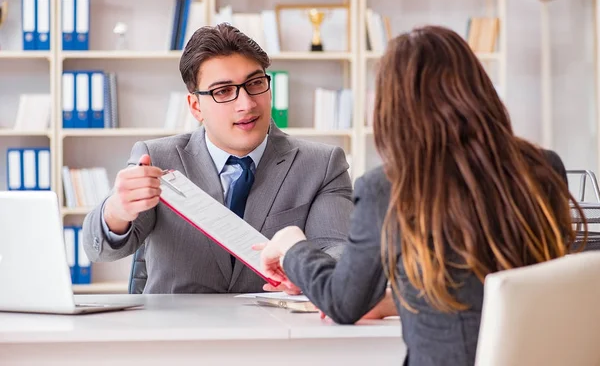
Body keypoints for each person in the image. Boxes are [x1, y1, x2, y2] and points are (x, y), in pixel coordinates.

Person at [254, 25, 587, 366]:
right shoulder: (543, 167)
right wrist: (397, 298)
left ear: (393, 107)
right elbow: (503, 288)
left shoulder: (388, 187)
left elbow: (343, 302)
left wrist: (293, 243)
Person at [81, 23, 353, 294]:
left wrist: (306, 271)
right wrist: (116, 210)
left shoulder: (322, 164)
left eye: (255, 83)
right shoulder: (157, 159)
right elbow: (98, 250)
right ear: (196, 106)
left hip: (274, 329)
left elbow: (338, 251)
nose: (246, 104)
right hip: (177, 330)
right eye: (223, 91)